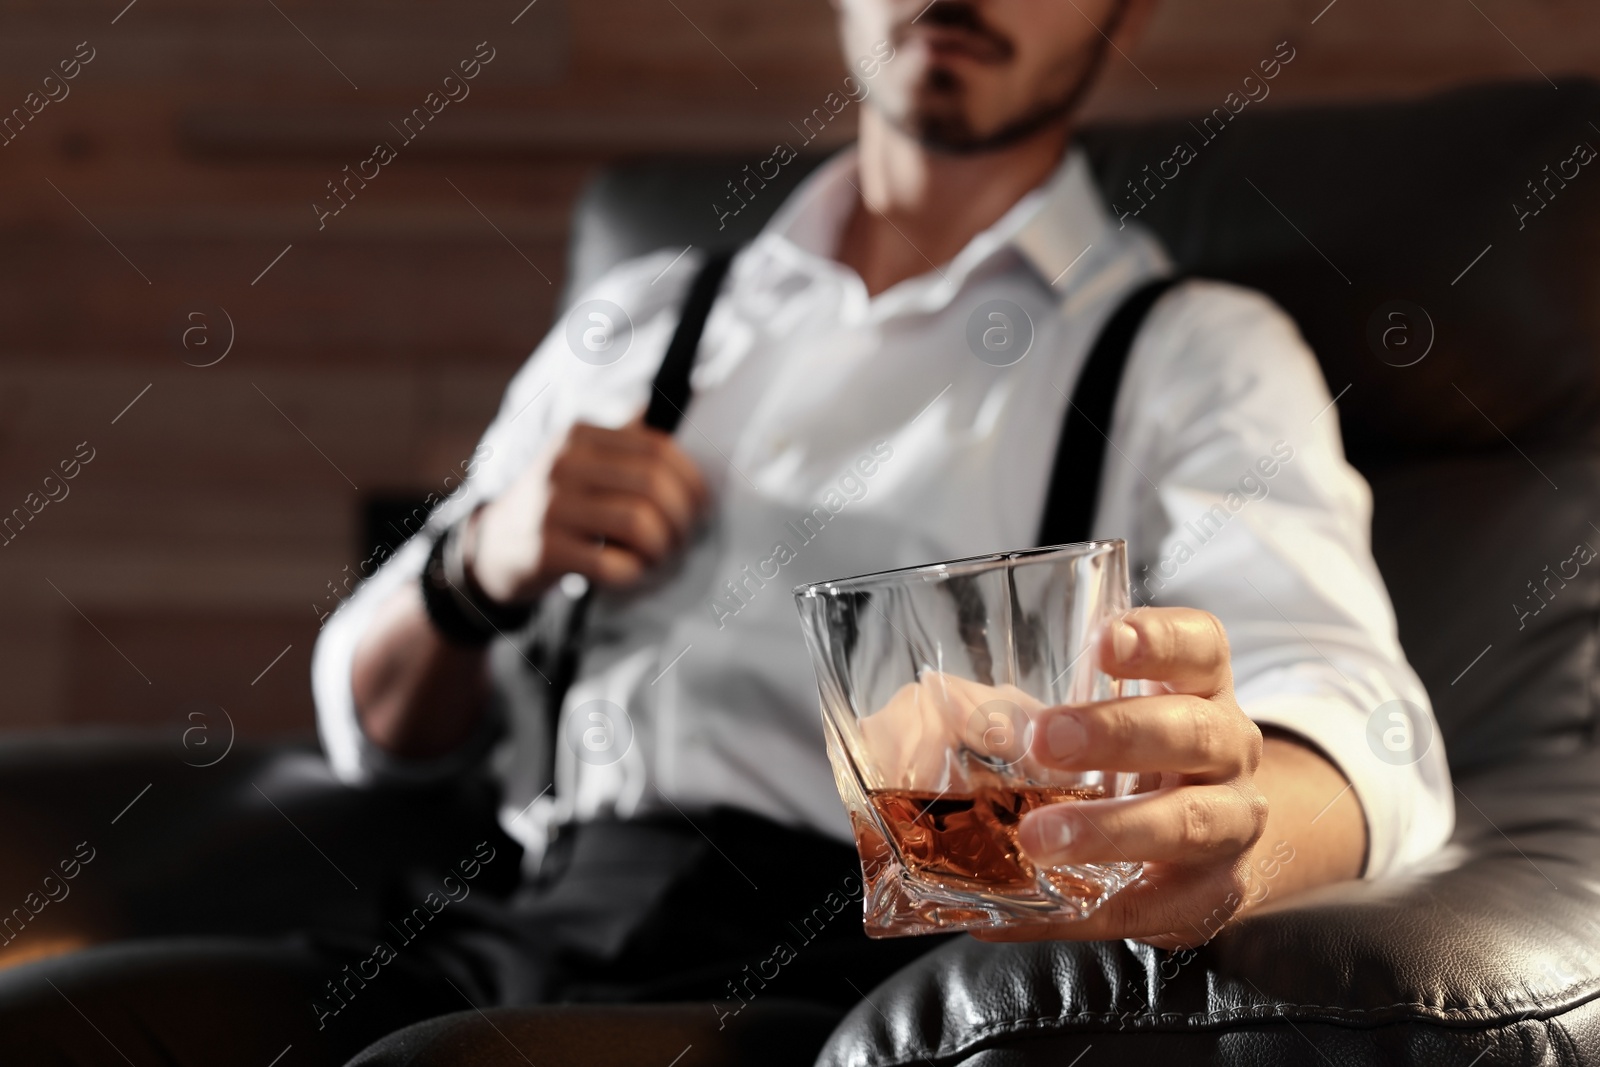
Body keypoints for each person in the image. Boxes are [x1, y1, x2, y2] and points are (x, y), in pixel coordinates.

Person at [0, 0, 1453, 1063]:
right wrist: (483, 558)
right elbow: (370, 724)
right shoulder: (643, 316)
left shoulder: (1190, 350)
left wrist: (1230, 837)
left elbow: (1356, 715)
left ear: (1120, 19)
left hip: (841, 978)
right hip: (502, 920)